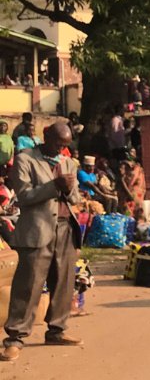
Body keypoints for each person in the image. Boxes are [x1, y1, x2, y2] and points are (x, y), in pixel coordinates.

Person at [2, 122, 83, 363]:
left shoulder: (68, 163)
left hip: (65, 228)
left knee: (63, 282)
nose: (61, 149)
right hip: (37, 230)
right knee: (28, 285)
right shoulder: (26, 159)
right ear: (45, 135)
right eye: (58, 143)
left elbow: (76, 196)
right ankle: (15, 338)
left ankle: (57, 330)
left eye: (65, 145)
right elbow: (24, 196)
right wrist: (53, 186)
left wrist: (68, 190)